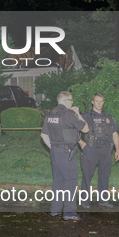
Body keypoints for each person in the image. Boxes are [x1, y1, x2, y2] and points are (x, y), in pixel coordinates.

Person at [41, 91, 89, 221]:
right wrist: (78, 113)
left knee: (58, 180)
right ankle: (69, 212)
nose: (73, 102)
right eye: (71, 100)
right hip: (67, 152)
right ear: (66, 101)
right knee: (70, 180)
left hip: (55, 152)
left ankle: (55, 210)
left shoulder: (50, 114)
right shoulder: (69, 114)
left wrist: (53, 147)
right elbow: (85, 129)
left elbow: (43, 135)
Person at [78, 93, 119, 209]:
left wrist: (117, 149)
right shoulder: (86, 115)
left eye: (101, 101)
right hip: (91, 149)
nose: (99, 104)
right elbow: (75, 129)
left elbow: (114, 133)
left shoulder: (109, 117)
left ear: (103, 102)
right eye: (97, 101)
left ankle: (103, 200)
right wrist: (81, 142)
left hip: (106, 150)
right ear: (92, 102)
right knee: (87, 175)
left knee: (104, 175)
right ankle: (85, 201)